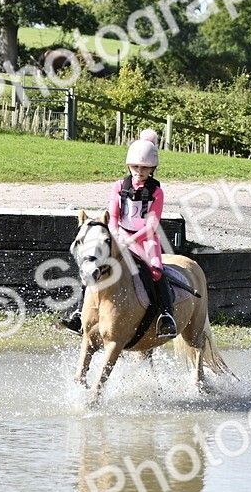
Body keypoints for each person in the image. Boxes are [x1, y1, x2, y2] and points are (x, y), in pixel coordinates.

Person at [62, 129, 178, 338]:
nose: (139, 171)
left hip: (146, 240)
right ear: (128, 166)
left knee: (156, 271)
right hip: (120, 235)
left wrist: (132, 240)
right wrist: (117, 235)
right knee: (93, 265)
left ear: (152, 169)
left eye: (144, 168)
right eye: (135, 167)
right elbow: (113, 216)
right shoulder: (119, 187)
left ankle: (166, 316)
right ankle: (79, 314)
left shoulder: (156, 192)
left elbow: (151, 225)